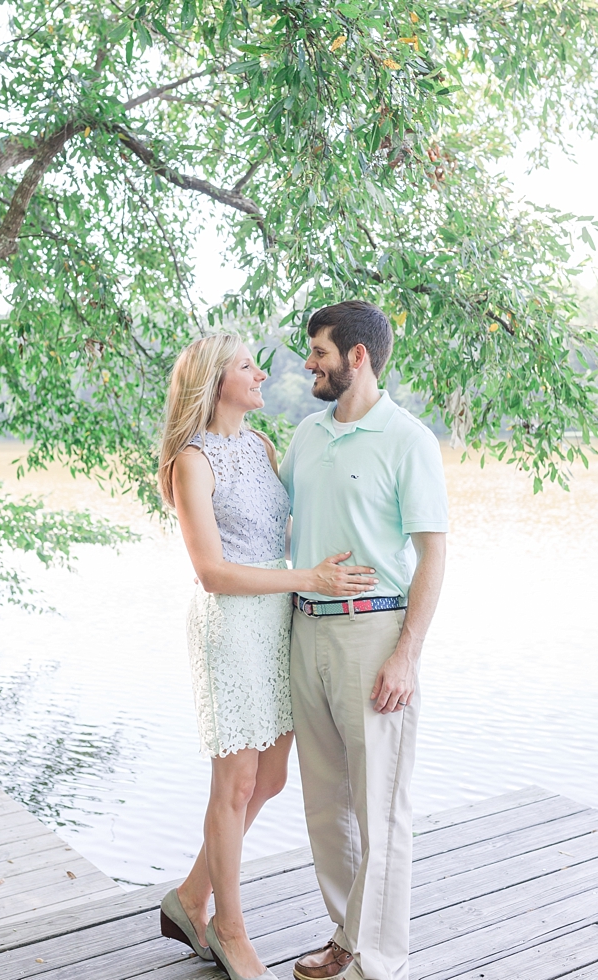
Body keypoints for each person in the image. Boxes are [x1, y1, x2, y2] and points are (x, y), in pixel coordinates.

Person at [157, 333, 378, 980]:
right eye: (247, 366)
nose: (262, 373)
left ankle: (189, 896)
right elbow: (213, 573)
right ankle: (228, 928)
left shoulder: (258, 445)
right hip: (230, 626)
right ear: (214, 381)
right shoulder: (191, 461)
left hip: (279, 619)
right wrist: (309, 579)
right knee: (236, 784)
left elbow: (279, 530)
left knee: (272, 778)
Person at [279, 302, 448, 980]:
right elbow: (278, 524)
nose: (308, 364)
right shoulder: (305, 436)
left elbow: (433, 555)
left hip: (374, 634)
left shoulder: (408, 439)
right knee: (325, 806)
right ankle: (346, 938)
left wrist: (405, 654)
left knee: (380, 807)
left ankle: (376, 960)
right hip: (305, 631)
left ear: (355, 357)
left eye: (317, 351)